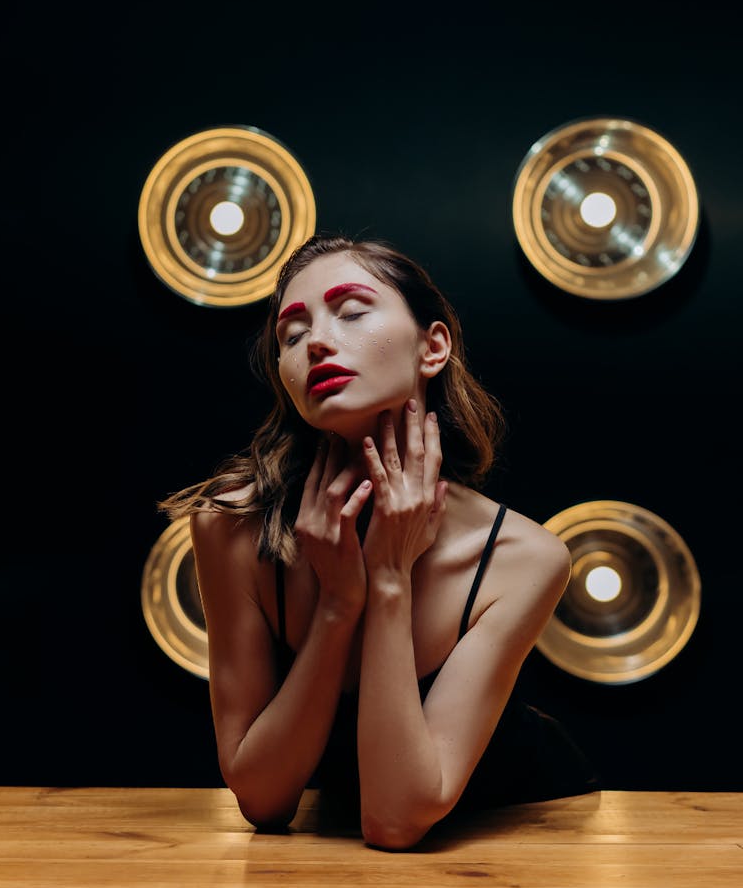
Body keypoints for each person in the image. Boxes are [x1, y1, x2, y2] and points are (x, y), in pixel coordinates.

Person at [158, 232, 598, 850]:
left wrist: (389, 576)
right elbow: (263, 799)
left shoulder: (524, 558)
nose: (315, 341)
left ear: (433, 347)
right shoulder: (231, 527)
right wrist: (338, 606)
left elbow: (394, 821)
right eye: (290, 334)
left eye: (352, 311)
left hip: (534, 835)